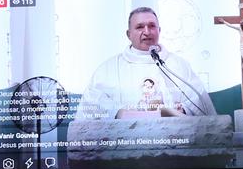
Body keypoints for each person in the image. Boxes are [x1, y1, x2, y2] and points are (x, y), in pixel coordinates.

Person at [75, 6, 217, 120]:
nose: (147, 32)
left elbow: (200, 104)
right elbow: (92, 105)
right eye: (140, 27)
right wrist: (118, 112)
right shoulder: (107, 69)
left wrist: (183, 110)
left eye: (152, 26)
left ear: (159, 31)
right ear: (128, 34)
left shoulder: (178, 66)